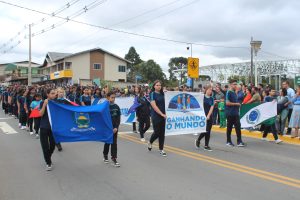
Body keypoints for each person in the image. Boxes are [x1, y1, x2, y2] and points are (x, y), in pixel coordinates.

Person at [39, 89, 57, 171]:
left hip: (53, 128)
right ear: (47, 94)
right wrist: (44, 105)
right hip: (44, 127)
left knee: (53, 145)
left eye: (54, 93)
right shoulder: (43, 102)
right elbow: (40, 114)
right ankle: (48, 163)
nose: (54, 95)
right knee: (45, 146)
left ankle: (48, 157)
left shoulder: (56, 103)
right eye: (52, 93)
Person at [147, 80, 167, 156]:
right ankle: (150, 142)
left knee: (162, 133)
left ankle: (161, 149)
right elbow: (154, 106)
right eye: (157, 85)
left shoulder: (163, 94)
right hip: (156, 116)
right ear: (154, 86)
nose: (159, 86)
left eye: (160, 85)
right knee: (157, 132)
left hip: (164, 115)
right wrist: (161, 114)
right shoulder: (152, 94)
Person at [103, 92, 121, 167]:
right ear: (108, 98)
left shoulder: (116, 106)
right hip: (107, 128)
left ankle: (114, 158)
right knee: (107, 142)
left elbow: (118, 118)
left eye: (114, 97)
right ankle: (105, 154)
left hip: (114, 128)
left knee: (114, 143)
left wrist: (116, 127)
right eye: (112, 97)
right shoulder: (104, 107)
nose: (113, 99)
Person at [225, 80, 245, 147]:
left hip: (236, 113)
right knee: (229, 128)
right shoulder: (229, 92)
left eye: (236, 84)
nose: (235, 85)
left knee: (238, 127)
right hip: (230, 113)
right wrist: (236, 104)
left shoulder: (234, 92)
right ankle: (228, 141)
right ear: (230, 85)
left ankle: (239, 141)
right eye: (234, 84)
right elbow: (227, 103)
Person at [195, 86, 215, 151]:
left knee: (208, 131)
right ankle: (198, 140)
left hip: (209, 116)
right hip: (202, 116)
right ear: (206, 90)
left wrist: (208, 116)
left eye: (211, 90)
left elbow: (212, 107)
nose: (210, 91)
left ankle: (206, 145)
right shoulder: (201, 97)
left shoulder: (212, 98)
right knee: (205, 130)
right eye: (209, 90)